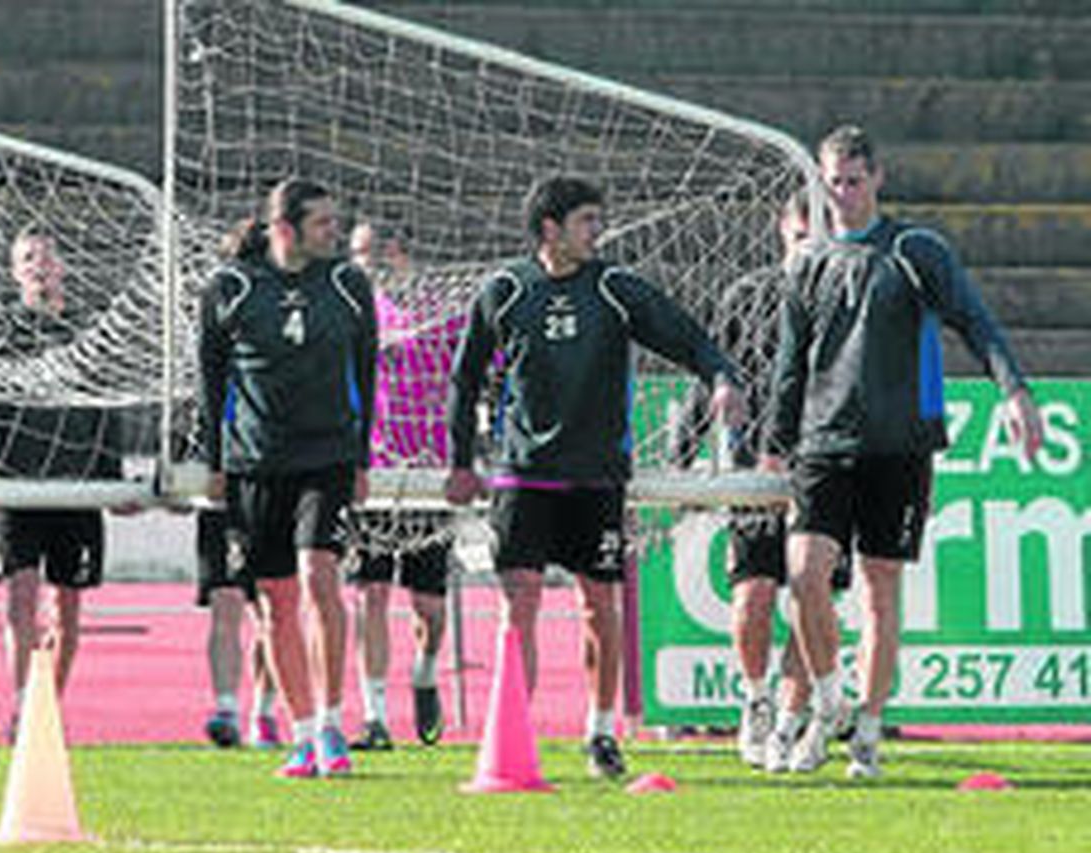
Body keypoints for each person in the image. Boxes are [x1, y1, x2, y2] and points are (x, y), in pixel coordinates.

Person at [445, 175, 744, 779]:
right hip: (524, 473)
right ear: (549, 228)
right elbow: (464, 377)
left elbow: (686, 336)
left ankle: (601, 732)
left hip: (597, 474)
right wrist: (460, 460)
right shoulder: (505, 290)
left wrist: (720, 377)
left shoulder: (613, 288)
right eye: (586, 220)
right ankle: (514, 732)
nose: (597, 231)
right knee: (519, 605)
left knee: (599, 606)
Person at [768, 125, 1042, 778]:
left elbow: (975, 321)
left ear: (878, 179)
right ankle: (829, 701)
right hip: (823, 439)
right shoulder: (807, 261)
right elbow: (790, 364)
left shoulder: (915, 249)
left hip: (898, 443)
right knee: (804, 574)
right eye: (833, 182)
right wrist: (775, 444)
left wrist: (1013, 391)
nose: (842, 193)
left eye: (853, 180)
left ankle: (866, 730)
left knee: (878, 589)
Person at [199, 178, 378, 778]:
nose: (334, 231)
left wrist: (361, 459)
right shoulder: (231, 288)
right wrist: (215, 462)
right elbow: (211, 382)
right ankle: (301, 735)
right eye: (322, 222)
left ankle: (331, 724)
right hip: (256, 462)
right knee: (275, 602)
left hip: (327, 456)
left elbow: (366, 372)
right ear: (284, 229)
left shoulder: (347, 284)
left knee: (320, 575)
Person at [668, 191, 846, 771]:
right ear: (780, 232)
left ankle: (791, 723)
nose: (808, 248)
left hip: (825, 471)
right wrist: (683, 453)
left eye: (819, 238)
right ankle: (756, 701)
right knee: (754, 594)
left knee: (810, 599)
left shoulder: (850, 296)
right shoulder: (748, 296)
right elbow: (712, 377)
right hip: (756, 470)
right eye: (799, 236)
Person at [0, 229, 123, 738]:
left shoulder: (89, 332)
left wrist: (110, 477)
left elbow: (106, 408)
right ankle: (22, 707)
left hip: (76, 488)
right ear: (15, 271)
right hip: (16, 486)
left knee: (66, 609)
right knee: (20, 597)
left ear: (63, 266)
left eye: (48, 257)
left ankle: (48, 709)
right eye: (28, 258)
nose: (39, 265)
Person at [346, 220, 451, 750]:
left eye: (366, 253)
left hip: (430, 472)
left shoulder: (442, 311)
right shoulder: (351, 313)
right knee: (371, 595)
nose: (360, 264)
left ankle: (426, 672)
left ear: (394, 252)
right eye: (354, 255)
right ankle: (375, 716)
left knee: (428, 606)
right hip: (373, 472)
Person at [197, 506, 281, 749]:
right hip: (223, 509)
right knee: (225, 602)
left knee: (271, 614)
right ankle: (227, 711)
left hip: (271, 506)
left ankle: (264, 713)